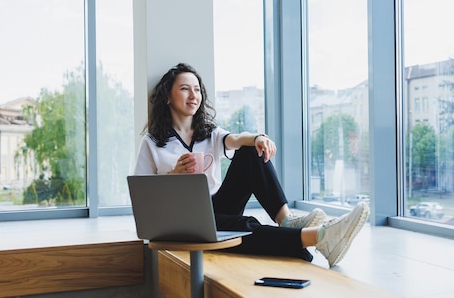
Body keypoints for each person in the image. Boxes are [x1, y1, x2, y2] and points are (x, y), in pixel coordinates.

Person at [134, 63, 369, 267]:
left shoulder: (209, 133)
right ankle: (321, 237)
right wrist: (174, 175)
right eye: (185, 89)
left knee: (249, 151)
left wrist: (258, 138)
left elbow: (235, 139)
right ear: (167, 97)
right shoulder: (153, 142)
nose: (193, 96)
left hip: (216, 207)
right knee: (243, 225)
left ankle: (286, 220)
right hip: (182, 220)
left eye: (197, 90)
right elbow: (144, 198)